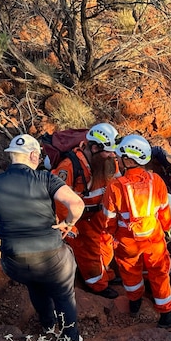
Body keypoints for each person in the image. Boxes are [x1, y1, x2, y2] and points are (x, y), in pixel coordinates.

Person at [0, 134, 85, 341]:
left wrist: (9, 233)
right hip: (51, 257)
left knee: (35, 286)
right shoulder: (46, 179)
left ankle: (47, 325)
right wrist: (68, 223)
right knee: (63, 293)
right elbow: (77, 205)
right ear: (34, 155)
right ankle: (71, 340)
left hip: (15, 261)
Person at [101, 134, 171, 328]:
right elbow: (165, 214)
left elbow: (108, 218)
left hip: (127, 241)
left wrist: (114, 235)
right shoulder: (156, 181)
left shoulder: (114, 187)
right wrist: (163, 231)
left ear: (128, 159)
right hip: (153, 239)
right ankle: (166, 314)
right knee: (159, 272)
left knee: (130, 272)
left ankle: (135, 303)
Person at [51, 122, 120, 297]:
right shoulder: (69, 167)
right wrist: (69, 225)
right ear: (95, 147)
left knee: (106, 244)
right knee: (88, 251)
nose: (112, 154)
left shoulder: (108, 161)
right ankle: (97, 285)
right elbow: (60, 200)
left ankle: (107, 275)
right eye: (108, 151)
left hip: (101, 215)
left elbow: (118, 184)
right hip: (80, 220)